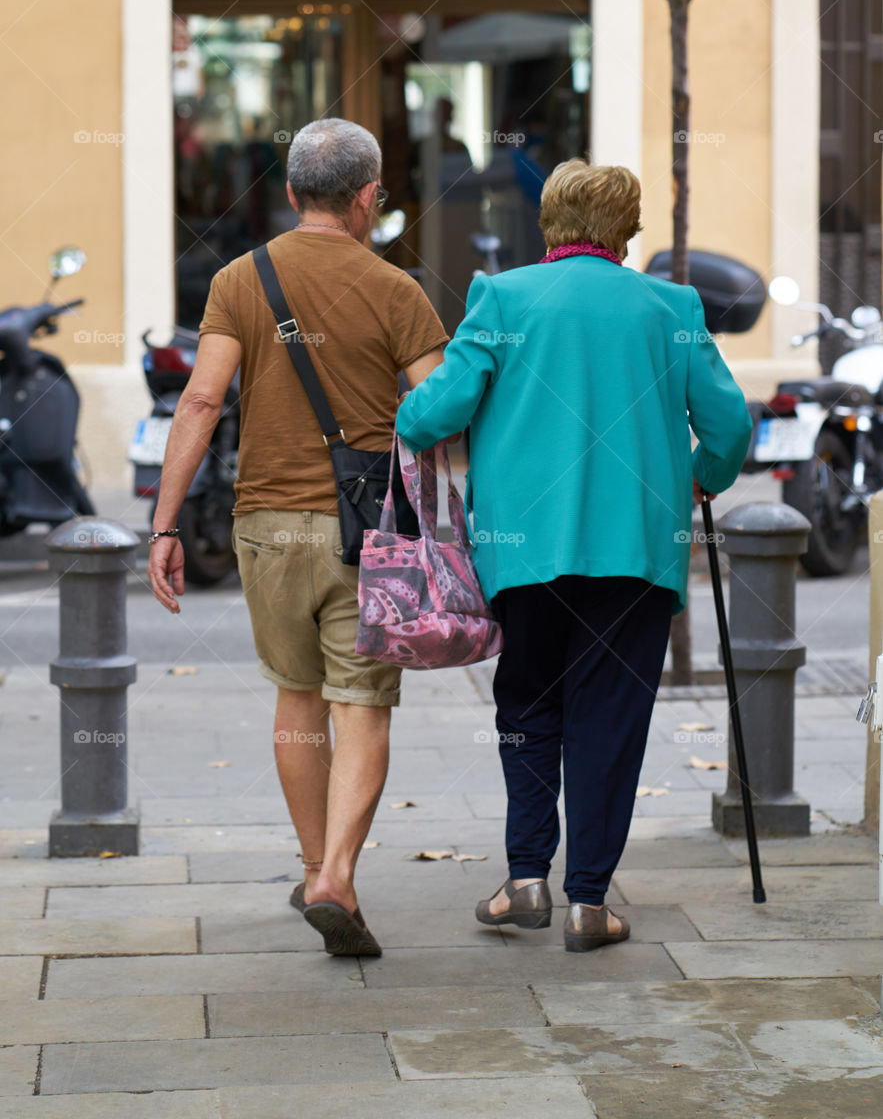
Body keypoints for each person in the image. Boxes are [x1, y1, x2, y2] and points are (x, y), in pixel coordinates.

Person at [395, 158, 752, 952]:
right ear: (627, 229)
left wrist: (406, 407)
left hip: (523, 554)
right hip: (635, 553)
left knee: (526, 710)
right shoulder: (672, 306)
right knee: (609, 720)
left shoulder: (501, 296)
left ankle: (526, 880)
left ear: (547, 222)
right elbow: (728, 429)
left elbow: (432, 416)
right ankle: (588, 902)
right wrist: (695, 479)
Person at [148, 119, 447, 957]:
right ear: (366, 198)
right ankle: (336, 876)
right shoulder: (397, 290)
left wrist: (166, 523)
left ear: (289, 193)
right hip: (370, 530)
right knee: (363, 705)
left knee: (295, 697)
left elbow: (202, 402)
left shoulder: (239, 279)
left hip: (265, 522)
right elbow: (441, 412)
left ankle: (315, 860)